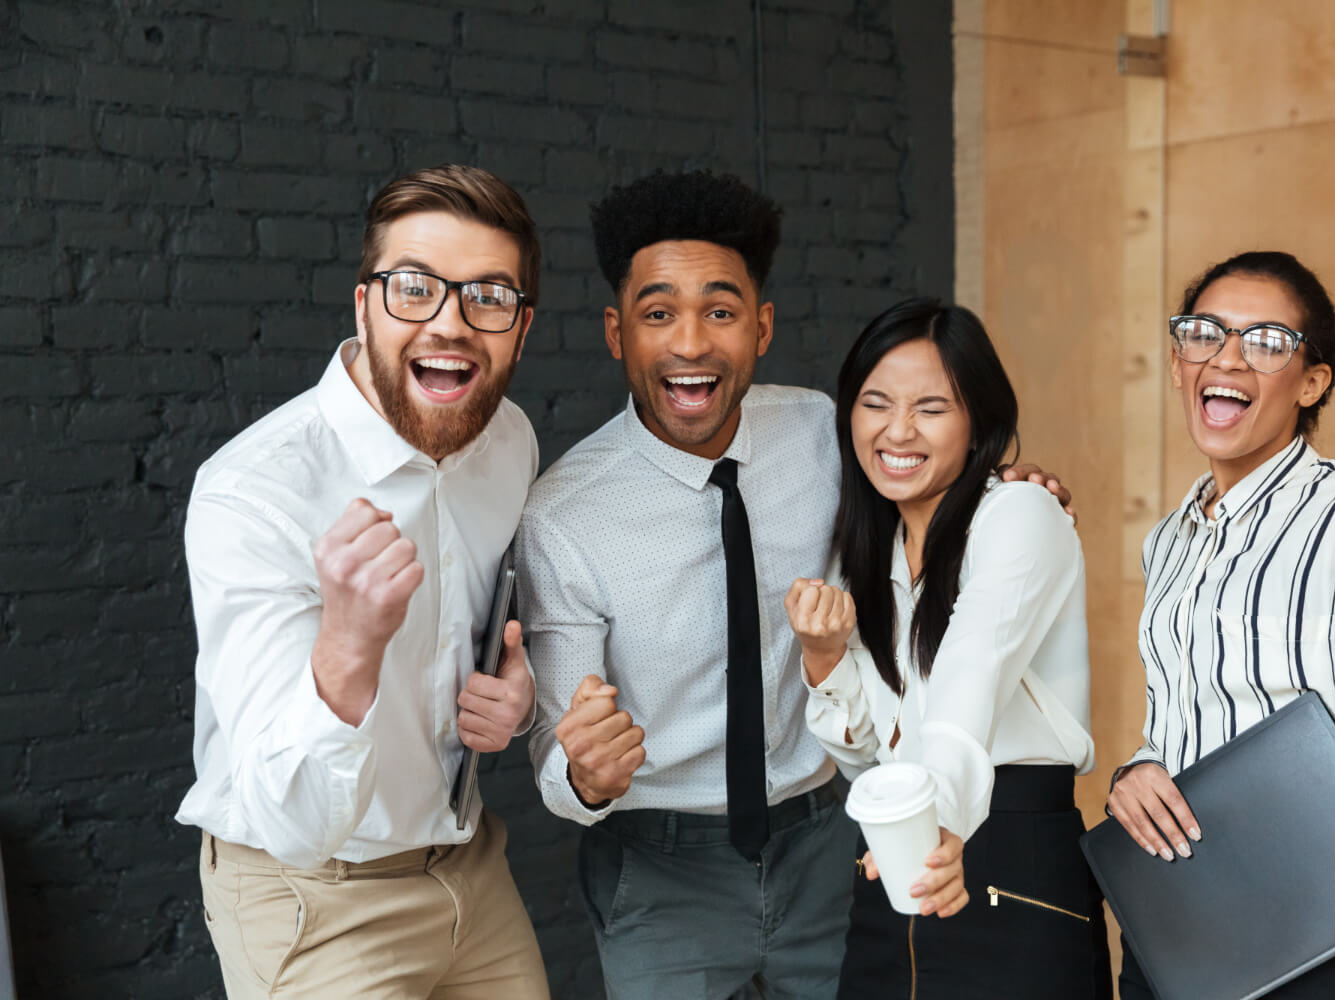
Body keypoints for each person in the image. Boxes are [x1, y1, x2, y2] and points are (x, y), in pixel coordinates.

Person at [516, 171, 1071, 999]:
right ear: (616, 332)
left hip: (827, 844)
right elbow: (559, 753)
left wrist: (1003, 490)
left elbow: (917, 479)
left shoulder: (820, 430)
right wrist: (584, 773)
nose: (692, 343)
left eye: (722, 310)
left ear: (762, 326)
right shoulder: (564, 515)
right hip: (663, 873)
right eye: (658, 312)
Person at [176, 164, 550, 999]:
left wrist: (517, 694)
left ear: (521, 331)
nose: (450, 324)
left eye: (488, 297)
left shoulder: (510, 442)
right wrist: (346, 646)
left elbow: (489, 628)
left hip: (469, 866)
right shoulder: (255, 490)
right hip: (311, 894)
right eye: (414, 288)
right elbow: (295, 822)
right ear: (364, 306)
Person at [1106, 251, 1335, 999]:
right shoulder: (1169, 537)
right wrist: (1139, 772)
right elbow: (1183, 717)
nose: (1226, 358)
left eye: (1264, 343)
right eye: (1205, 335)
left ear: (1313, 381)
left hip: (1320, 934)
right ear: (1177, 362)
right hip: (1176, 922)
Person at [786, 298, 1111, 999]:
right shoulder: (862, 554)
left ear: (979, 424)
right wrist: (824, 659)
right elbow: (872, 755)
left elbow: (972, 674)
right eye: (875, 403)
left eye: (931, 408)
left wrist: (940, 822)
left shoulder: (1021, 515)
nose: (897, 430)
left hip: (1007, 851)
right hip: (898, 853)